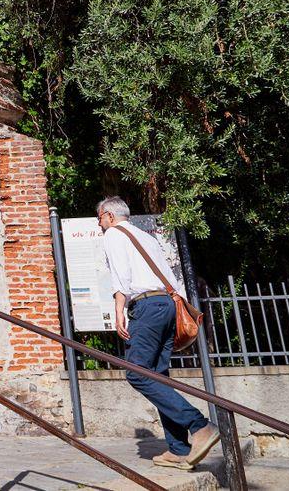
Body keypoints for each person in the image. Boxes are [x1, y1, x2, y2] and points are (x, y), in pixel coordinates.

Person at [98, 196, 219, 469]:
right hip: (167, 304)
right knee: (158, 376)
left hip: (148, 307)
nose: (100, 224)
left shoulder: (114, 235)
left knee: (137, 373)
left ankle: (199, 426)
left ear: (108, 215)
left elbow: (121, 276)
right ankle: (178, 449)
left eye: (100, 219)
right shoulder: (147, 238)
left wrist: (119, 310)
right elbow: (170, 277)